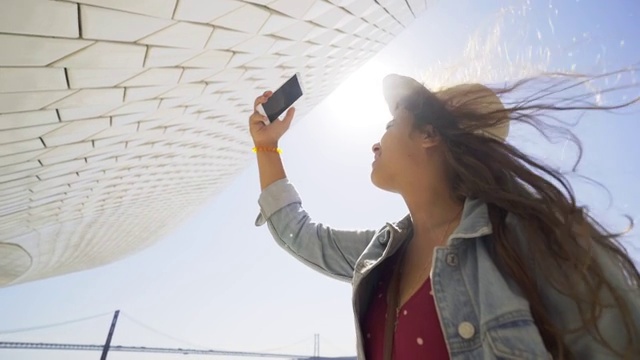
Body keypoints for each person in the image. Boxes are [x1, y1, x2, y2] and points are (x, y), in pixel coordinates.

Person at [248, 73, 640, 360]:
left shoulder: (527, 238)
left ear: (429, 135)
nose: (375, 141)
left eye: (388, 126)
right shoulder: (382, 255)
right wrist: (266, 148)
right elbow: (300, 234)